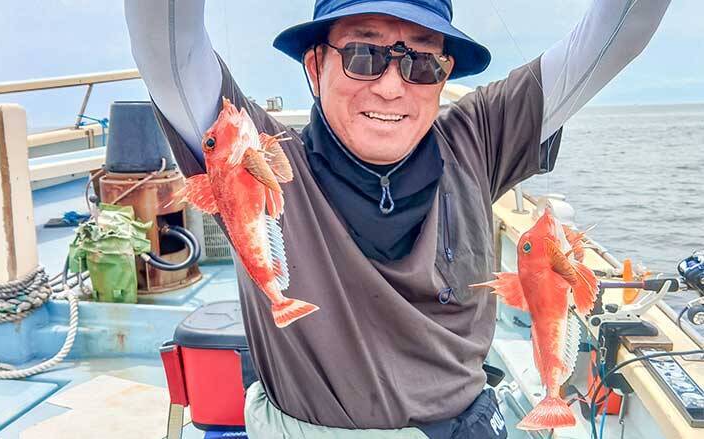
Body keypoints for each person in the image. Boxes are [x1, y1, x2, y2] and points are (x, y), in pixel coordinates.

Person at [124, 0, 670, 437]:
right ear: (315, 67)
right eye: (364, 55)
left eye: (421, 63)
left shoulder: (478, 139)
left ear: (444, 74)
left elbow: (618, 30)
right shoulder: (255, 158)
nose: (391, 86)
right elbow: (167, 45)